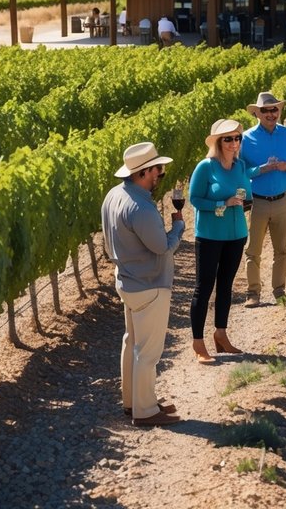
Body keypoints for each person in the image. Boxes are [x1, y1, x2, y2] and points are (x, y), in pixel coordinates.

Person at [101, 142, 186, 426]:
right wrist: (178, 229)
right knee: (148, 352)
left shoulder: (114, 196)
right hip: (149, 284)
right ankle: (146, 411)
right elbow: (162, 247)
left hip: (126, 280)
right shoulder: (140, 207)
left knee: (132, 342)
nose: (160, 176)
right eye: (158, 171)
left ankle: (132, 402)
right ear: (144, 171)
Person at [188, 118, 253, 363]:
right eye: (228, 139)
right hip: (209, 236)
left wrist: (244, 200)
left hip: (236, 234)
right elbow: (195, 199)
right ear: (218, 142)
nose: (234, 143)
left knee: (226, 286)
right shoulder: (206, 167)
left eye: (237, 138)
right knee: (203, 288)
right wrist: (221, 204)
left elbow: (246, 193)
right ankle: (198, 344)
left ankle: (221, 335)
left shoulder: (241, 166)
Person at [239, 91, 286, 306]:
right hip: (258, 201)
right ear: (257, 114)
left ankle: (279, 291)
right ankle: (253, 293)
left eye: (274, 109)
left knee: (282, 250)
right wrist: (260, 170)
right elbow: (240, 171)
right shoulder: (246, 139)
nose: (271, 113)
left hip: (282, 201)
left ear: (279, 111)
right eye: (266, 110)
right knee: (253, 250)